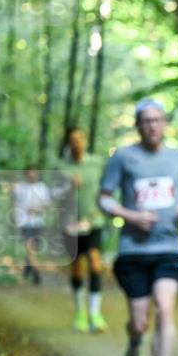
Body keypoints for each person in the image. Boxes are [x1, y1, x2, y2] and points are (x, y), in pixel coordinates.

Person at [99, 99, 178, 356]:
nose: (153, 125)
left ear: (166, 124)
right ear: (138, 125)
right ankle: (136, 340)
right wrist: (130, 215)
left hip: (168, 248)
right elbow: (104, 199)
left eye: (158, 120)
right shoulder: (123, 158)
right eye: (146, 121)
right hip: (133, 251)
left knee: (166, 309)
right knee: (139, 322)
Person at [58, 127, 109, 333]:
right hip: (70, 223)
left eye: (80, 139)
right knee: (77, 267)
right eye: (73, 140)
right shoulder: (61, 167)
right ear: (68, 144)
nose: (77, 143)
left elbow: (107, 188)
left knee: (95, 264)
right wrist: (68, 187)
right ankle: (80, 311)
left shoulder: (97, 164)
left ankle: (95, 313)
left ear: (85, 141)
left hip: (93, 221)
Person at [12, 165, 52, 285]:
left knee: (33, 248)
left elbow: (47, 205)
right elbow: (14, 201)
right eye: (29, 172)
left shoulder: (42, 188)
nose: (32, 175)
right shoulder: (20, 187)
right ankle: (36, 274)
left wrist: (37, 209)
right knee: (30, 247)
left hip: (38, 222)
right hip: (24, 222)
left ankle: (27, 268)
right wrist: (14, 215)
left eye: (34, 172)